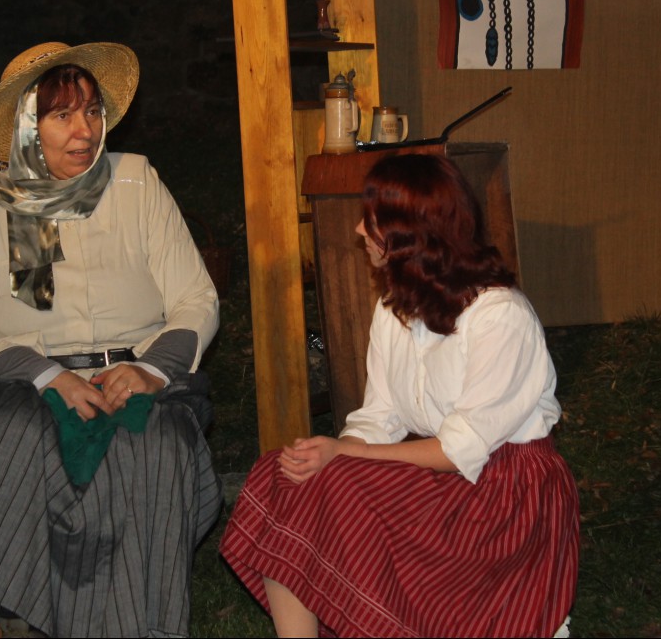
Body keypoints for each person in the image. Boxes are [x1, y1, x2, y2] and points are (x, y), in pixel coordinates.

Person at [219, 153, 579, 638]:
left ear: (412, 235)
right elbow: (380, 416)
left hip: (504, 495)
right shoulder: (396, 309)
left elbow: (458, 450)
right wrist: (327, 458)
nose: (358, 230)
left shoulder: (501, 316)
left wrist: (344, 456)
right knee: (286, 477)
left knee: (336, 481)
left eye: (372, 221)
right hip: (442, 474)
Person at [0, 41, 222, 638]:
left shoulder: (136, 182)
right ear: (26, 127)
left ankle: (141, 622)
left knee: (156, 443)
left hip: (136, 367)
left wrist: (151, 370)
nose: (85, 130)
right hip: (25, 377)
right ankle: (16, 612)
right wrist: (51, 377)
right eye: (62, 115)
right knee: (17, 435)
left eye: (92, 111)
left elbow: (196, 299)